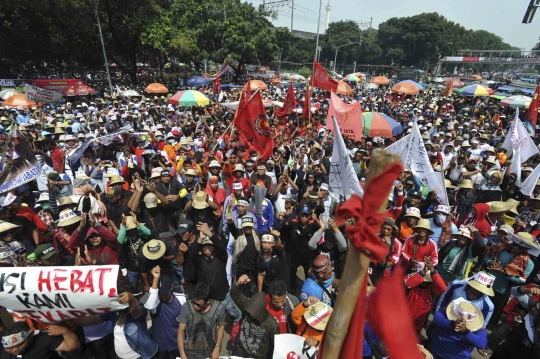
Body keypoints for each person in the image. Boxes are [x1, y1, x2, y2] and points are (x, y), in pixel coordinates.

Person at [230, 274, 279, 358]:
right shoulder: (246, 305)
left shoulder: (272, 325)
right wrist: (238, 283)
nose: (251, 315)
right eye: (249, 312)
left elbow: (274, 346)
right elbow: (234, 294)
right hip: (240, 350)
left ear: (262, 310)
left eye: (254, 314)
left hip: (258, 356)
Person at [144, 266, 186, 359]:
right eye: (160, 293)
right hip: (160, 345)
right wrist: (155, 280)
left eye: (165, 293)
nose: (163, 296)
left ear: (171, 288)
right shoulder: (155, 302)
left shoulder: (181, 299)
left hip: (178, 343)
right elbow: (149, 306)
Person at [1, 321, 80, 359]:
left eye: (19, 344)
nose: (15, 349)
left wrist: (65, 331)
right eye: (9, 348)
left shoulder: (43, 340)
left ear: (30, 336)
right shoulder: (4, 355)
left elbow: (71, 346)